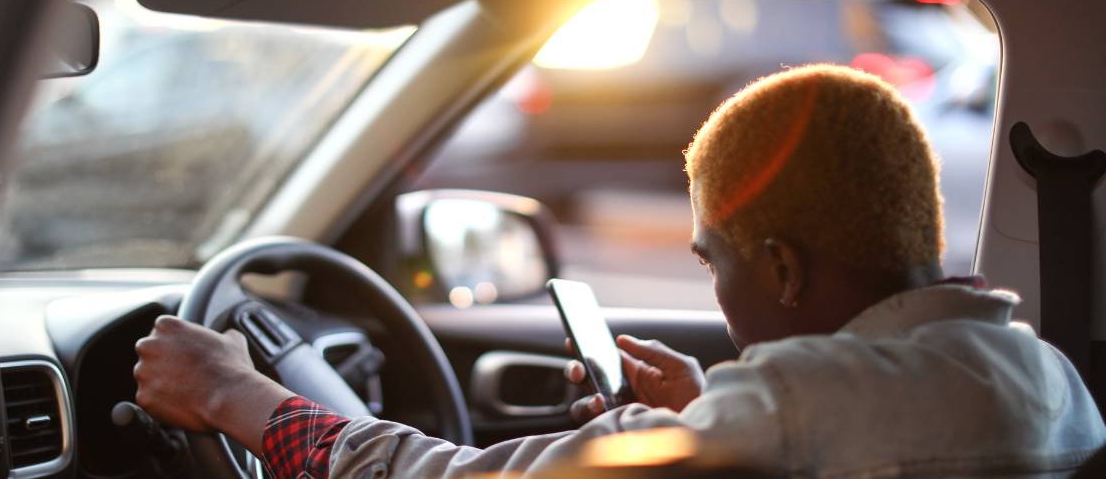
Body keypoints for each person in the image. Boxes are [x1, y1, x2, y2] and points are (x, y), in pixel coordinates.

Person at [133, 64, 1106, 477]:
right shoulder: (1048, 378)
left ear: (781, 268)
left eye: (711, 262)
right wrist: (700, 418)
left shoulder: (790, 410)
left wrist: (232, 394)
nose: (718, 298)